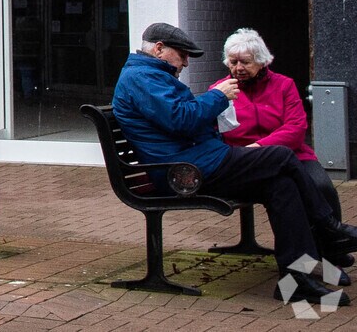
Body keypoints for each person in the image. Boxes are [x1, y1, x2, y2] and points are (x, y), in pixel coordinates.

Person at [112, 22, 357, 304]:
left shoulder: (150, 75)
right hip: (185, 171)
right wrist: (217, 98)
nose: (186, 62)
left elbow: (183, 119)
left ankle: (295, 281)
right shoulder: (142, 78)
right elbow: (181, 119)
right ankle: (329, 229)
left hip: (199, 160)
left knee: (282, 184)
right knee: (281, 156)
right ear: (159, 49)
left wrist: (209, 111)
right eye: (183, 54)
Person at [222, 28, 343, 223]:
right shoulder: (220, 90)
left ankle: (334, 244)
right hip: (246, 162)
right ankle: (304, 251)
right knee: (285, 192)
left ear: (261, 61)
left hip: (294, 155)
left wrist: (258, 148)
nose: (238, 68)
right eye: (233, 62)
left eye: (245, 62)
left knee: (322, 187)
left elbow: (296, 128)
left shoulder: (284, 85)